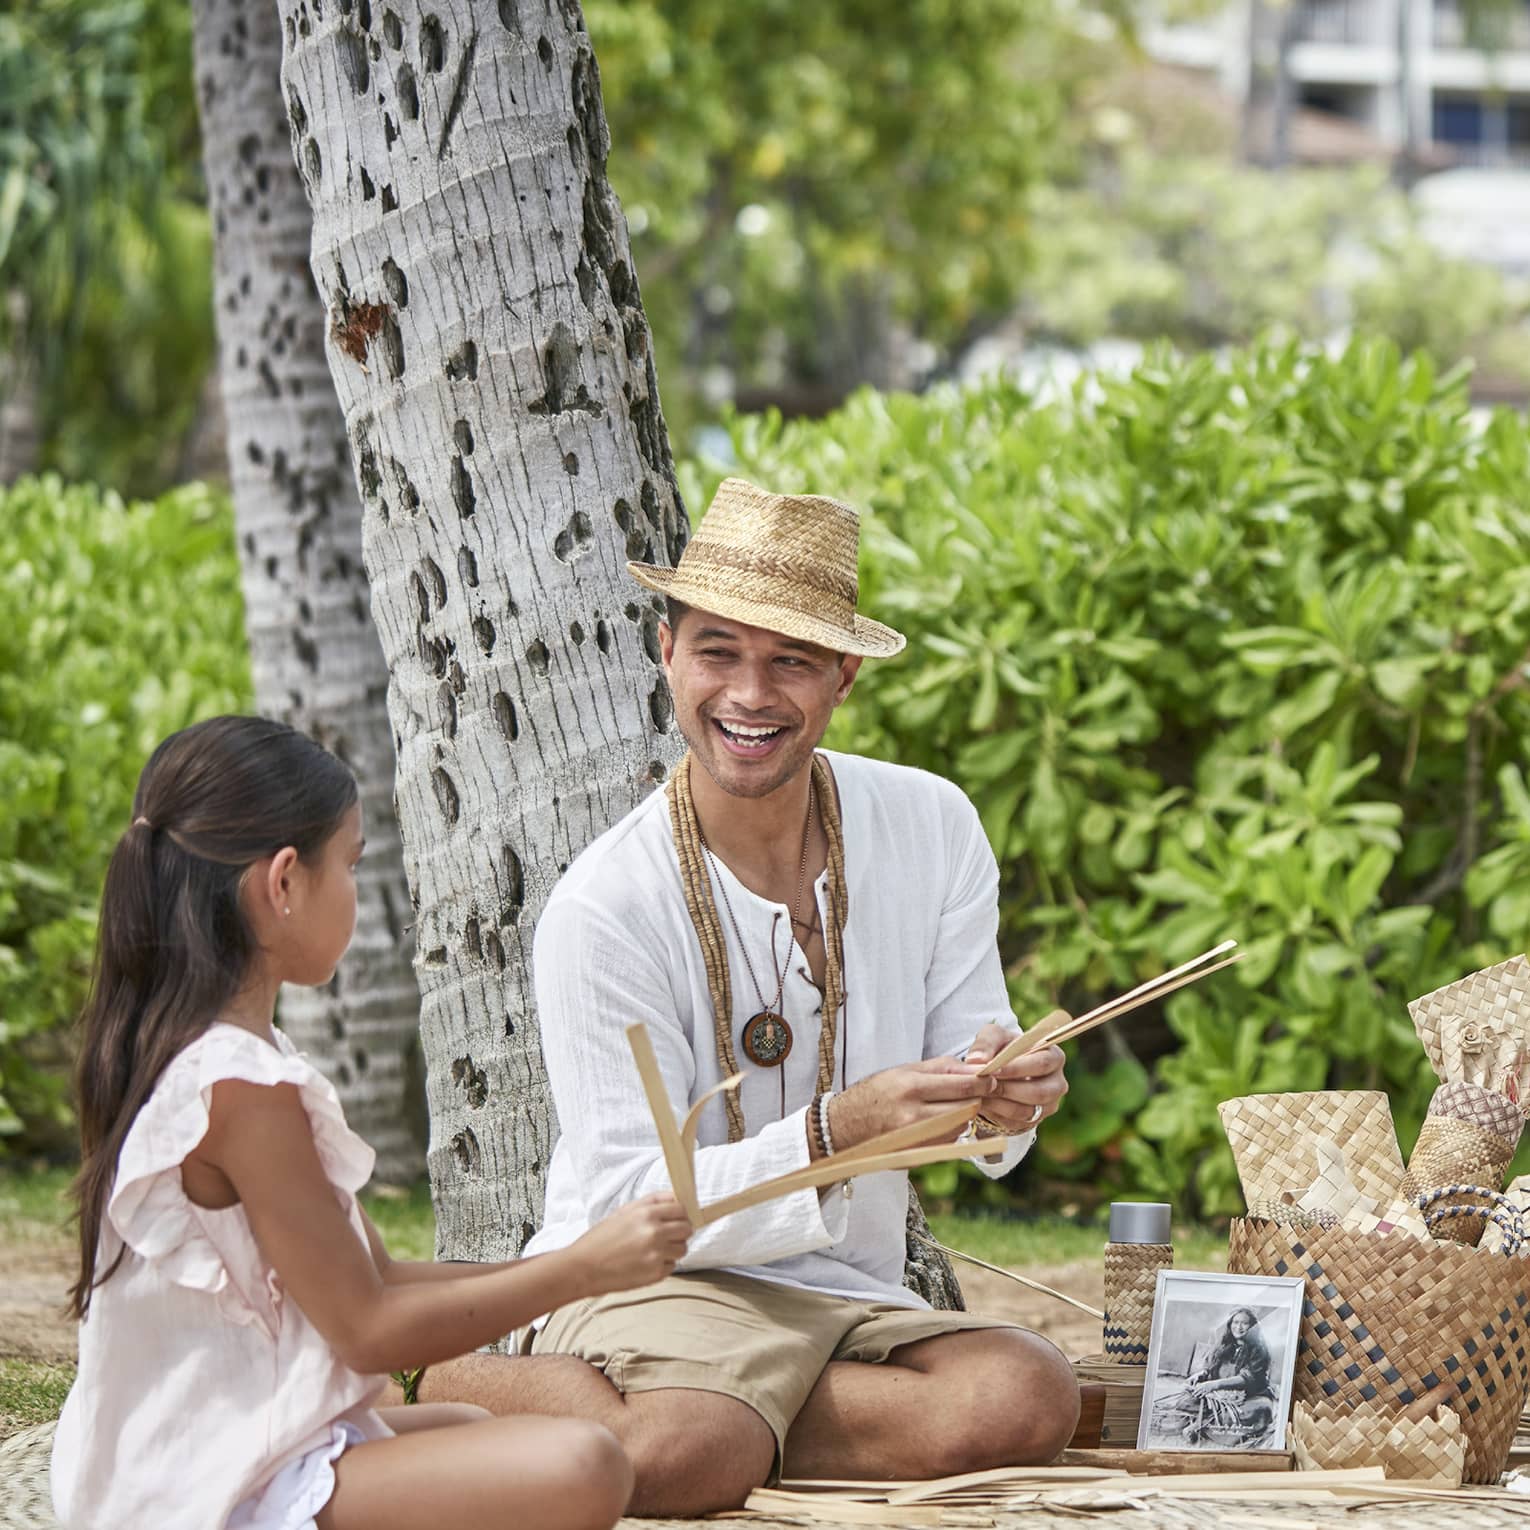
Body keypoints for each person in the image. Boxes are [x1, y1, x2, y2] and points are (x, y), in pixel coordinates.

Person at [420, 479, 1080, 1513]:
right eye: (718, 650)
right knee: (687, 1452)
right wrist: (841, 1127)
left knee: (1027, 1393)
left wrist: (1008, 1097)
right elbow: (633, 1204)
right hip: (655, 1285)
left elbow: (980, 1068)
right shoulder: (604, 906)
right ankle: (464, 1374)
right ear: (666, 652)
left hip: (840, 1296)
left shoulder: (933, 824)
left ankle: (733, 1420)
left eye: (792, 661)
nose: (750, 694)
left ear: (844, 678)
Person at [50, 716, 691, 1530]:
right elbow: (368, 1332)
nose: (360, 891)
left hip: (204, 1444)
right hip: (199, 1485)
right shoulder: (239, 1084)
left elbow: (377, 1277)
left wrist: (571, 1257)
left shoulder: (206, 1048)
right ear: (284, 883)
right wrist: (583, 1274)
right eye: (349, 864)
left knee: (472, 1428)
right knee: (585, 1462)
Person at [1152, 1308, 1276, 1447]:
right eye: (1235, 1322)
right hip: (1218, 1397)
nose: (1238, 1327)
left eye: (1244, 1323)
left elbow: (1247, 1378)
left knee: (1261, 1410)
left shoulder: (1259, 1349)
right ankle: (1207, 1421)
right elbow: (1211, 1367)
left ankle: (1199, 1426)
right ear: (1230, 1324)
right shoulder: (1224, 1344)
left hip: (1250, 1396)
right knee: (1185, 1401)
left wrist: (1214, 1385)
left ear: (1252, 1326)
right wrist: (1202, 1374)